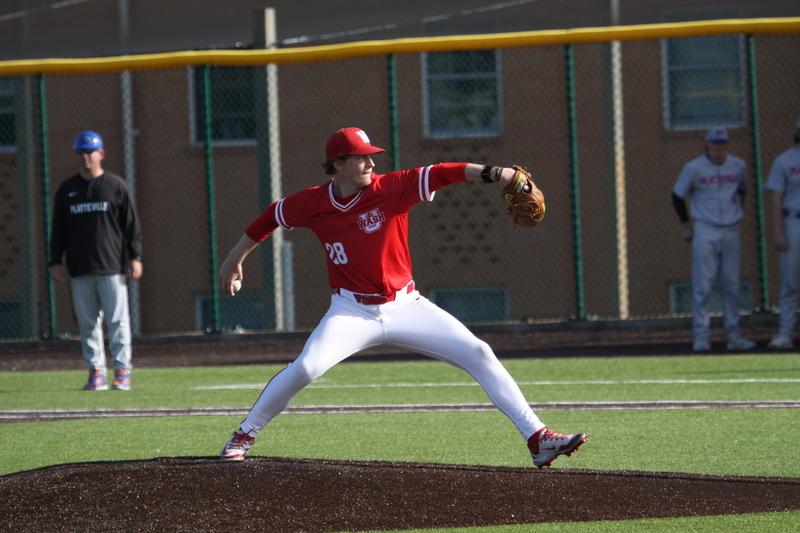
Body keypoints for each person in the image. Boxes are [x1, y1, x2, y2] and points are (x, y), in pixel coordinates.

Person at [218, 127, 587, 468]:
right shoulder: (312, 202)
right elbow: (270, 217)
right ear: (338, 164)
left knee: (479, 352)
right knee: (307, 368)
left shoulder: (391, 188)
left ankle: (538, 438)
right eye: (362, 157)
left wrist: (499, 174)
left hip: (407, 306)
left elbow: (445, 171)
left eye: (371, 155)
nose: (372, 162)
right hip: (351, 310)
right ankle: (244, 433)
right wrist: (234, 260)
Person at [49, 131, 143, 391]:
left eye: (89, 151)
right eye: (80, 152)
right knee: (88, 323)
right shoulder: (67, 189)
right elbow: (58, 229)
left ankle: (122, 371)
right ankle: (96, 372)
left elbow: (131, 226)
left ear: (101, 154)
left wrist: (135, 257)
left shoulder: (115, 186)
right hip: (79, 268)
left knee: (117, 320)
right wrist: (55, 261)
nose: (84, 157)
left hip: (112, 267)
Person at [672, 126, 756, 352]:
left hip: (730, 229)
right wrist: (686, 226)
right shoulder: (693, 167)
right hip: (705, 229)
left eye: (723, 143)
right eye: (715, 143)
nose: (719, 147)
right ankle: (701, 336)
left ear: (728, 144)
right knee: (703, 284)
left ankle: (734, 335)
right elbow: (677, 195)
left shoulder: (738, 165)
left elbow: (742, 190)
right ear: (706, 145)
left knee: (732, 283)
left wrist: (738, 214)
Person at [764, 117, 800, 350]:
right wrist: (778, 232)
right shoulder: (784, 160)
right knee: (790, 282)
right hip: (793, 222)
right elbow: (775, 197)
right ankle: (785, 333)